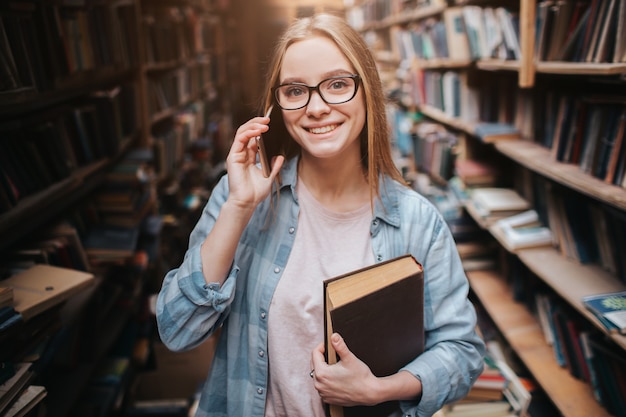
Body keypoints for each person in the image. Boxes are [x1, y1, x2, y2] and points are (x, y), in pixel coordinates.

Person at [156, 13, 485, 417]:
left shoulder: (418, 221)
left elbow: (462, 352)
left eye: (337, 85)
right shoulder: (241, 198)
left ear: (367, 91)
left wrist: (379, 390)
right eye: (295, 91)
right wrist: (239, 208)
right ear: (277, 104)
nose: (316, 107)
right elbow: (177, 330)